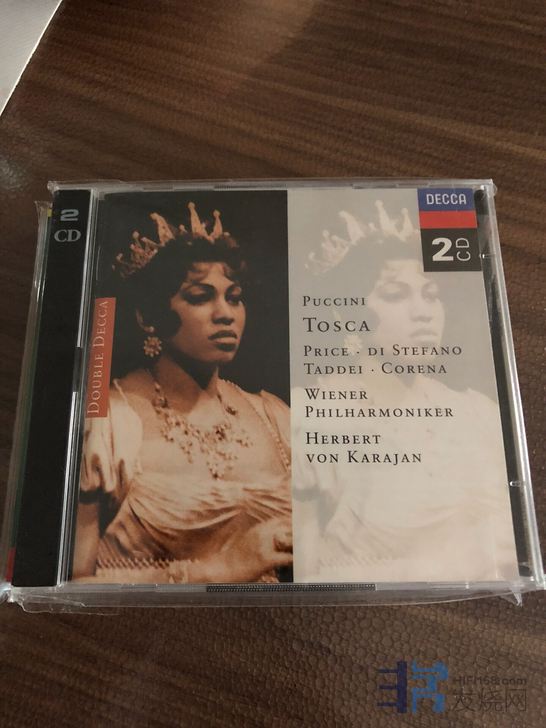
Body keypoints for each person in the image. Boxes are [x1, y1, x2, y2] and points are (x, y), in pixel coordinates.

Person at [292, 201, 519, 583]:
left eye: (431, 295)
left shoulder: (478, 415)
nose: (423, 312)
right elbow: (304, 574)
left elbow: (508, 551)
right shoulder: (306, 416)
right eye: (396, 295)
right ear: (348, 312)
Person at [73, 202, 292, 584]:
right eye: (200, 297)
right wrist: (213, 571)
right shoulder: (109, 423)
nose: (225, 313)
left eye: (234, 297)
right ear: (148, 316)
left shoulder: (273, 418)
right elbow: (69, 584)